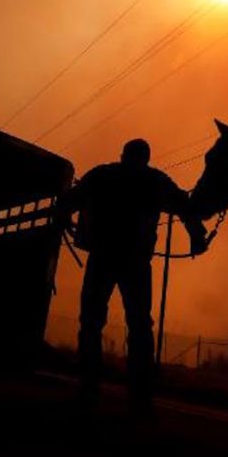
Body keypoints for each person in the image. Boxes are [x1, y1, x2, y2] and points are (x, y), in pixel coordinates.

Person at [58, 139, 208, 412]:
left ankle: (89, 388)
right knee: (139, 326)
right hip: (136, 263)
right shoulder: (155, 181)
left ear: (123, 155)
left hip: (102, 258)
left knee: (92, 322)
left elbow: (68, 202)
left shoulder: (102, 175)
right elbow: (184, 207)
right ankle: (140, 395)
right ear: (146, 158)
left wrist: (66, 220)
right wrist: (197, 235)